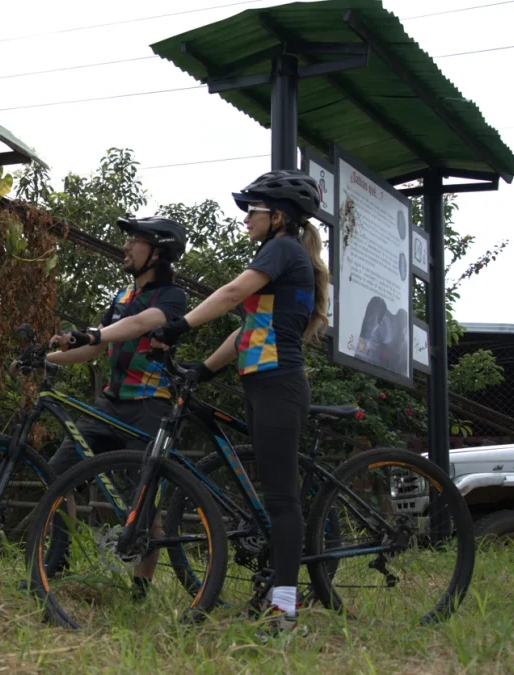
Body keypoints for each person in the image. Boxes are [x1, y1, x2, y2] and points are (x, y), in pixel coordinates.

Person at [153, 169, 330, 633]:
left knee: (281, 501)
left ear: (279, 217)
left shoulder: (282, 248)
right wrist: (203, 370)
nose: (246, 219)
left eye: (252, 211)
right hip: (263, 384)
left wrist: (181, 325)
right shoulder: (281, 252)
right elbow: (245, 331)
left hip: (278, 384)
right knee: (275, 497)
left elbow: (232, 294)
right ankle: (278, 594)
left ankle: (285, 610)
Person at [33, 215, 188, 593]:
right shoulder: (121, 298)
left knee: (145, 501)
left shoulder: (171, 296)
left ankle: (140, 590)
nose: (126, 246)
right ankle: (57, 558)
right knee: (56, 474)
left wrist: (93, 332)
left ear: (157, 253)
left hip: (151, 405)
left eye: (135, 240)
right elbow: (95, 347)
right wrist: (46, 358)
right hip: (110, 403)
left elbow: (140, 325)